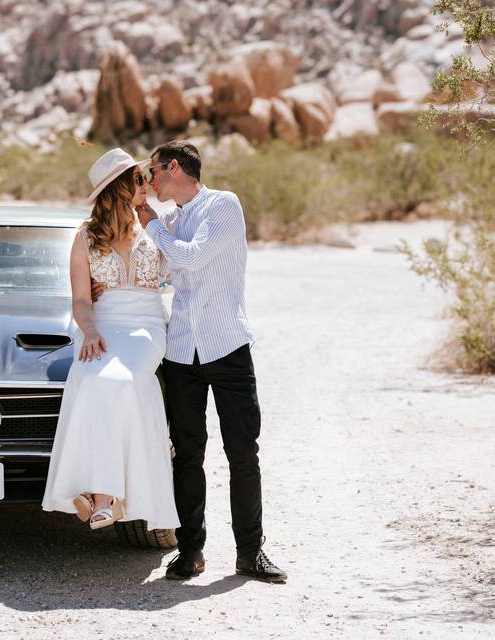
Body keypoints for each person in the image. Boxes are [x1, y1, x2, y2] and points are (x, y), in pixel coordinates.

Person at [134, 140, 287, 583]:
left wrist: (150, 222)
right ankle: (190, 552)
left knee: (243, 453)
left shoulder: (223, 206)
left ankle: (250, 553)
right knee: (187, 456)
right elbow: (163, 275)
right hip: (181, 352)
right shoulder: (171, 221)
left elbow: (191, 257)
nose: (150, 181)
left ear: (174, 168)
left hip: (228, 347)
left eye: (153, 172)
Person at [42, 148, 180, 532]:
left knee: (122, 380)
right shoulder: (85, 237)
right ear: (119, 188)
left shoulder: (157, 226)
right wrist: (90, 331)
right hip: (102, 324)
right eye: (138, 179)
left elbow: (184, 267)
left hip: (147, 325)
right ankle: (103, 499)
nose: (147, 184)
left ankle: (101, 494)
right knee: (90, 379)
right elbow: (81, 300)